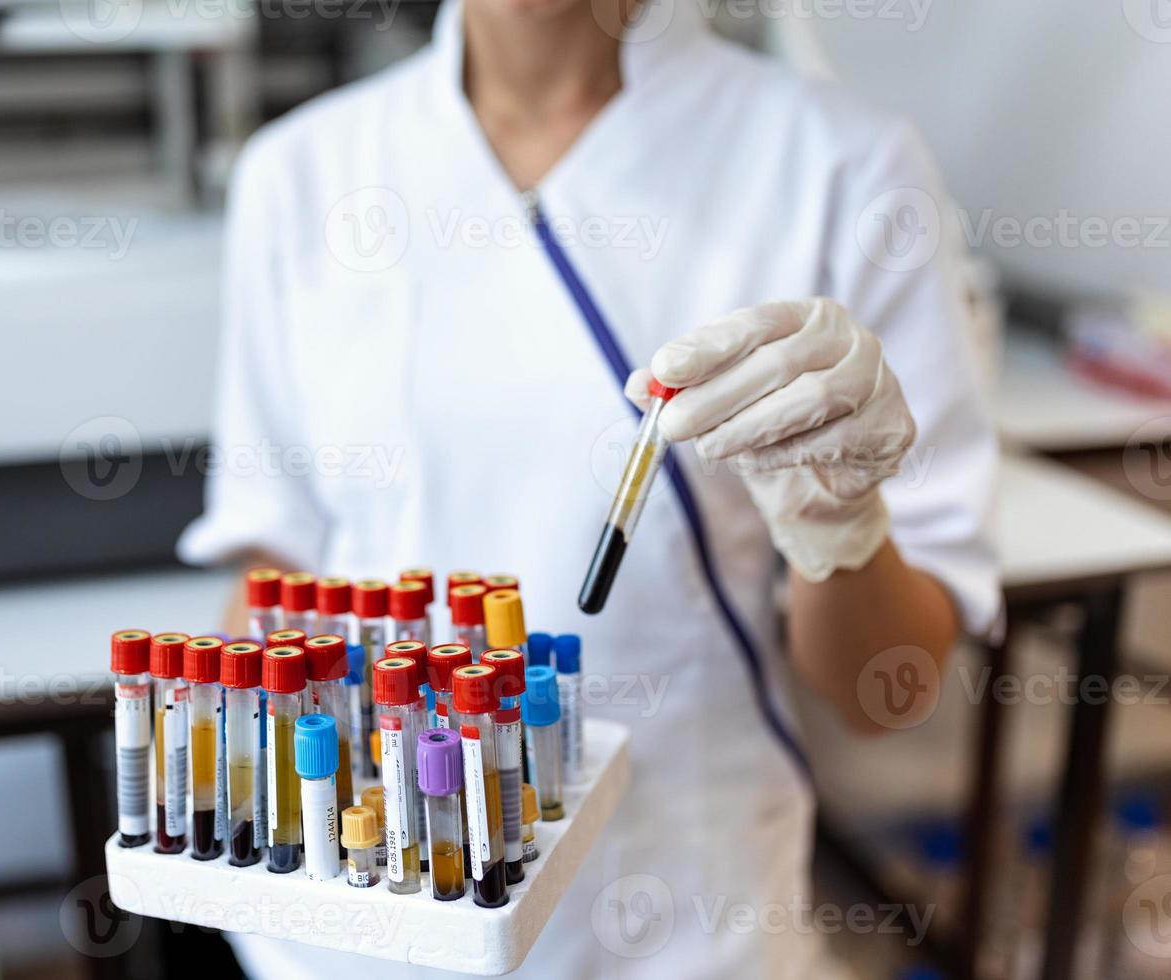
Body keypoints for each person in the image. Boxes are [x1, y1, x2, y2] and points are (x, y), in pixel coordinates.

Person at [180, 0, 999, 974]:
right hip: (369, 910)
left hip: (680, 910)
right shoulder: (301, 172)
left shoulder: (840, 166)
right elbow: (277, 570)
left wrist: (840, 525)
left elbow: (888, 693)